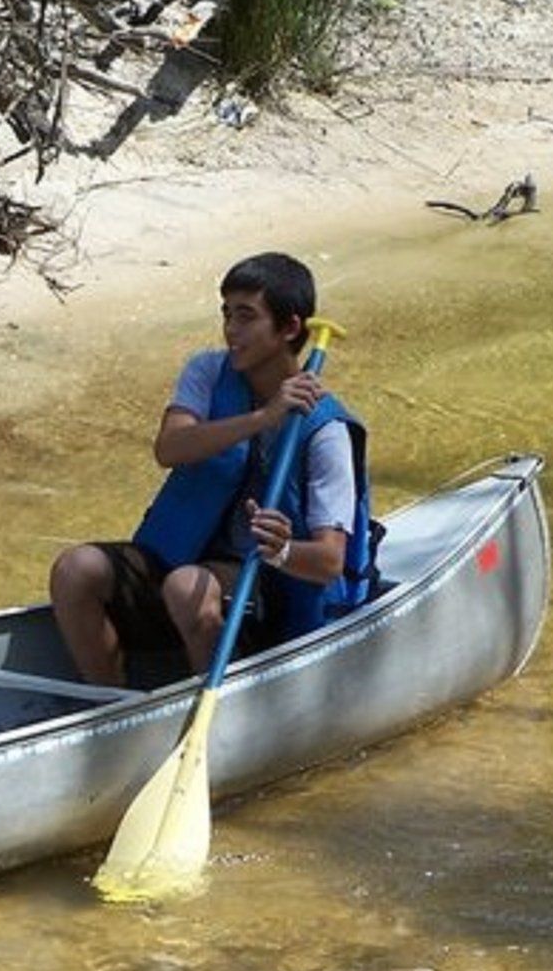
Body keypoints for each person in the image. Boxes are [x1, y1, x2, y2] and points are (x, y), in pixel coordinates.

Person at [49, 251, 377, 688]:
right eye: (227, 314)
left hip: (267, 588)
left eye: (246, 316)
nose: (231, 330)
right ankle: (110, 704)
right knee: (76, 569)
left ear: (289, 328)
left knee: (186, 587)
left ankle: (220, 704)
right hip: (181, 563)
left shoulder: (326, 432)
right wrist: (262, 419)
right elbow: (170, 448)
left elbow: (330, 562)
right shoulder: (206, 371)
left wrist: (281, 549)